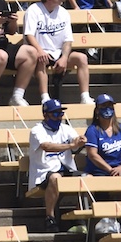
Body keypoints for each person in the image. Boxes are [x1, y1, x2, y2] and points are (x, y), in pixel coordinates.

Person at [23, 0, 94, 105]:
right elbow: (29, 35)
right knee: (41, 59)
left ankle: (85, 96)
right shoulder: (33, 10)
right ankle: (45, 97)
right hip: (40, 51)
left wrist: (65, 58)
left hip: (59, 52)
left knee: (82, 58)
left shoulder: (63, 12)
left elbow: (68, 40)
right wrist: (40, 51)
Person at [28, 99, 87, 232]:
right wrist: (71, 145)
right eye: (54, 114)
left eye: (60, 114)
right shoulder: (37, 130)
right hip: (44, 172)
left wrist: (80, 141)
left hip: (66, 169)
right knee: (55, 178)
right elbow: (46, 146)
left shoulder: (66, 128)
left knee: (87, 177)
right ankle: (50, 217)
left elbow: (75, 141)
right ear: (45, 115)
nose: (58, 117)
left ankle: (81, 218)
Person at [85, 94, 121, 177]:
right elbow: (93, 155)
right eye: (103, 106)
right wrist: (110, 170)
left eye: (110, 106)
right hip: (99, 171)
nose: (107, 108)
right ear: (97, 110)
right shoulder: (92, 130)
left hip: (120, 169)